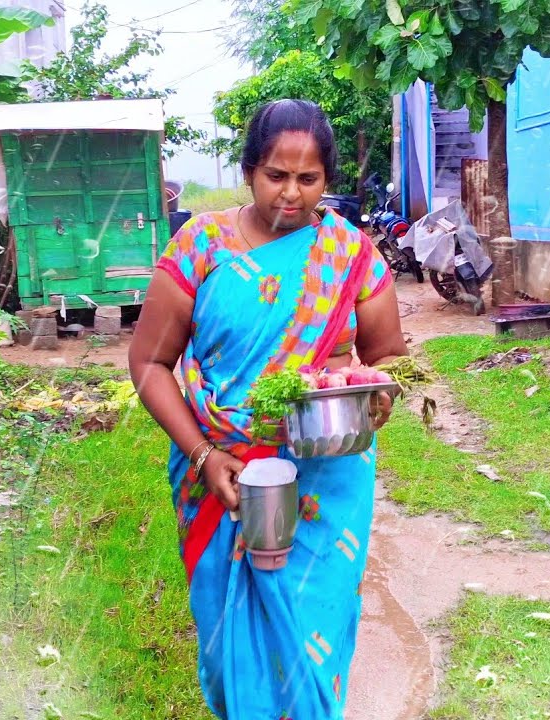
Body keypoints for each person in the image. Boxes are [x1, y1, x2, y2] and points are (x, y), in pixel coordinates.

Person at [128, 99, 409, 719]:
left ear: (327, 181)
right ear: (249, 170)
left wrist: (372, 395)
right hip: (219, 470)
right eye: (275, 176)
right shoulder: (202, 245)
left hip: (325, 475)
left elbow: (388, 356)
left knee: (315, 637)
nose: (290, 194)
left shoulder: (352, 254)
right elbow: (149, 364)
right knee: (233, 651)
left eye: (307, 179)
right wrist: (204, 457)